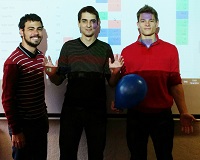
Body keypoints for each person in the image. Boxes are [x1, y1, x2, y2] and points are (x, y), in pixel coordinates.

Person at [113, 5, 196, 160]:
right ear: (137, 24)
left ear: (157, 23)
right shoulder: (127, 51)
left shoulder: (171, 50)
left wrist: (183, 111)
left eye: (151, 20)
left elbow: (175, 84)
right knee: (137, 156)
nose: (147, 24)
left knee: (165, 156)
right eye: (143, 20)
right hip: (136, 116)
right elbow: (123, 85)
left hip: (162, 117)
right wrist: (117, 101)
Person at [44, 6, 123, 160]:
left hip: (97, 110)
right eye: (84, 21)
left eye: (92, 21)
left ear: (98, 24)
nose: (88, 25)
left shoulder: (105, 48)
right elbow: (58, 81)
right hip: (71, 109)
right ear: (79, 24)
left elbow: (112, 83)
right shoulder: (68, 47)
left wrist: (116, 72)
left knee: (96, 153)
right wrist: (51, 74)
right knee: (67, 154)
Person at [2, 13, 49, 160]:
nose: (36, 32)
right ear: (21, 32)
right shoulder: (13, 61)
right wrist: (16, 131)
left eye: (39, 28)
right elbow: (7, 99)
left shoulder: (41, 56)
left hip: (39, 123)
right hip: (22, 127)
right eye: (31, 29)